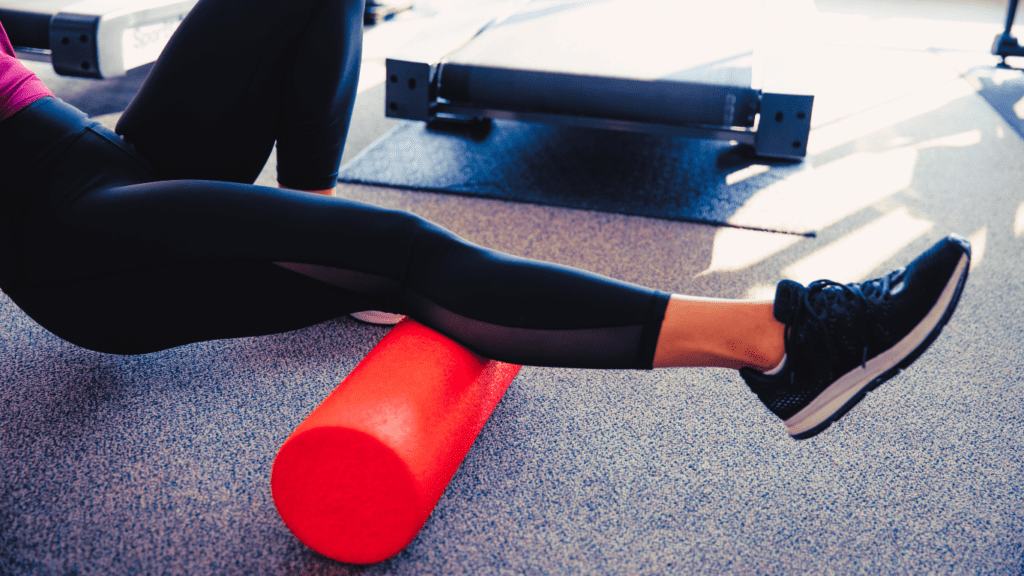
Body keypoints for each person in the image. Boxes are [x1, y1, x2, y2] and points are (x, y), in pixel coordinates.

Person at [0, 0, 970, 441]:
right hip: (61, 229)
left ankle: (301, 227)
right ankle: (777, 345)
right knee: (404, 253)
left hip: (96, 149)